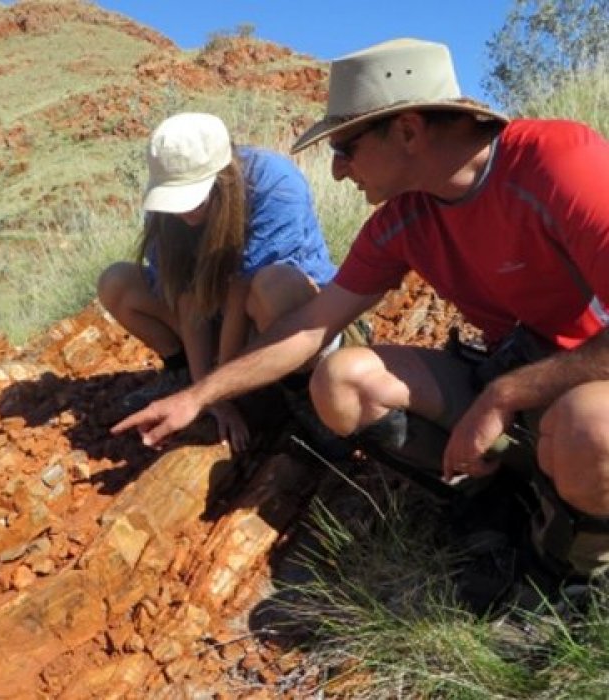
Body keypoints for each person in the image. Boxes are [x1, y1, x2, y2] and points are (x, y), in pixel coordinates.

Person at [113, 38, 609, 612]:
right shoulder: (403, 219)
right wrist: (200, 394)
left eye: (347, 146)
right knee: (342, 381)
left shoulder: (558, 161)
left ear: (408, 131)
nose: (338, 170)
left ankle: (569, 578)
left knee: (589, 425)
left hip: (579, 382)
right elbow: (310, 328)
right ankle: (492, 503)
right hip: (508, 370)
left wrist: (503, 395)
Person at [98, 112, 337, 451]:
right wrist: (203, 390)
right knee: (117, 282)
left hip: (284, 319)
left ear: (222, 176)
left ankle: (302, 388)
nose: (184, 213)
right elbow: (187, 297)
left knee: (273, 285)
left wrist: (216, 388)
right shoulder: (165, 215)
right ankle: (180, 371)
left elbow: (242, 290)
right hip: (218, 318)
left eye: (193, 198)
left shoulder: (274, 185)